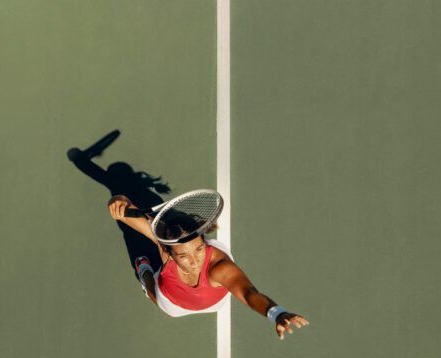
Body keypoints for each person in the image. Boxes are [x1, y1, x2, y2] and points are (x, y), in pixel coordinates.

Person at [69, 131, 309, 339]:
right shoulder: (163, 247)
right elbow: (122, 213)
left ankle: (145, 268)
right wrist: (119, 199)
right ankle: (145, 274)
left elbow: (248, 294)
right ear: (168, 251)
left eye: (198, 248)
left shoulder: (220, 268)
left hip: (215, 302)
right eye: (184, 255)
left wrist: (276, 313)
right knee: (151, 287)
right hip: (172, 303)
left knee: (145, 253)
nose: (195, 259)